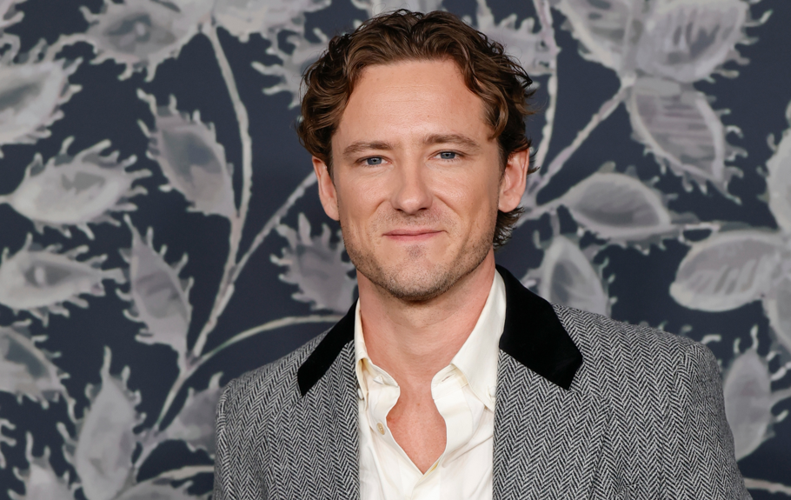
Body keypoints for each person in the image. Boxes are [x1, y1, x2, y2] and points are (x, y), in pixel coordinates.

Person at [213, 9, 749, 499]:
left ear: (509, 177)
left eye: (446, 154)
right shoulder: (254, 419)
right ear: (329, 186)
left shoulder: (657, 392)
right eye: (374, 159)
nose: (410, 197)